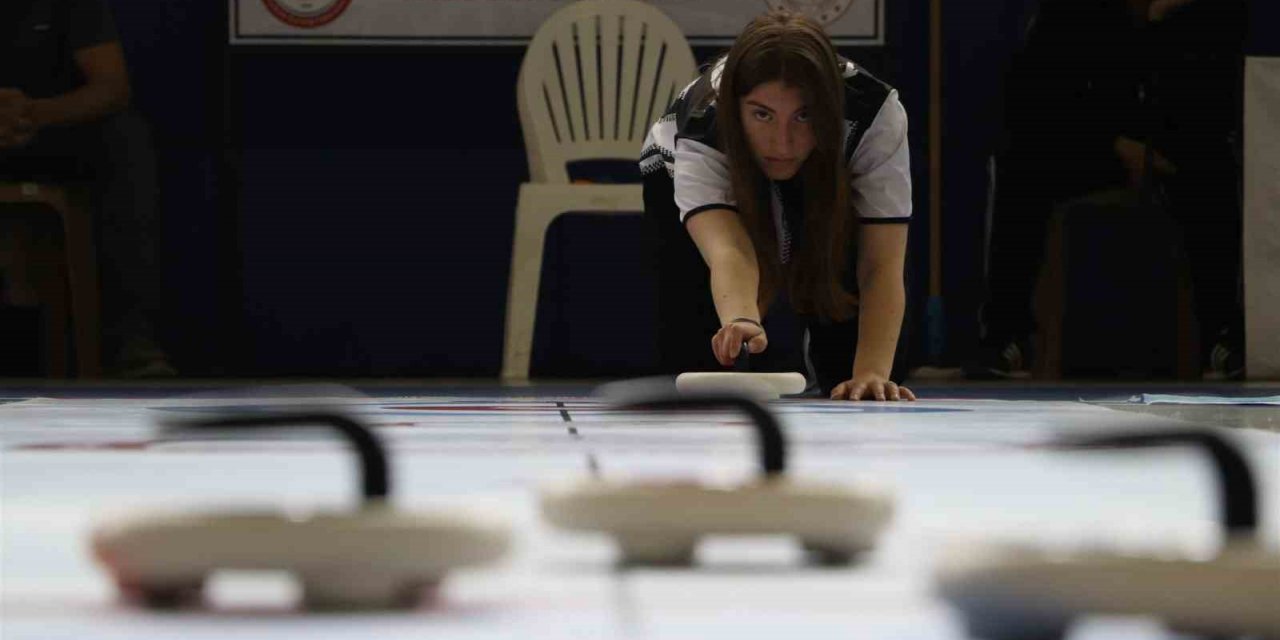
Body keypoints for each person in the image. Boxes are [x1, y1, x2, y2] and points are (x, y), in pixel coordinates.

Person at [641, 10, 915, 402]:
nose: (782, 143)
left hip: (828, 172)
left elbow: (880, 264)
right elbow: (728, 250)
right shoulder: (704, 123)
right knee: (700, 366)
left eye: (803, 116)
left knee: (860, 378)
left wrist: (870, 371)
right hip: (682, 169)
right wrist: (741, 319)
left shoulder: (874, 114)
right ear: (735, 109)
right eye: (762, 114)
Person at [971, 0, 1246, 379]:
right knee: (1023, 167)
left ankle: (1224, 336)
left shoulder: (1210, 17)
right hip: (1098, 150)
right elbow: (1035, 99)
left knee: (1217, 177)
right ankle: (1007, 336)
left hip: (1182, 153)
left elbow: (1219, 108)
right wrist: (1114, 143)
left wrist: (1166, 24)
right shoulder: (1071, 13)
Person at [0, 0, 174, 377]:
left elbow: (112, 86)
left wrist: (32, 114)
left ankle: (130, 340)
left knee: (125, 139)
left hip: (44, 131)